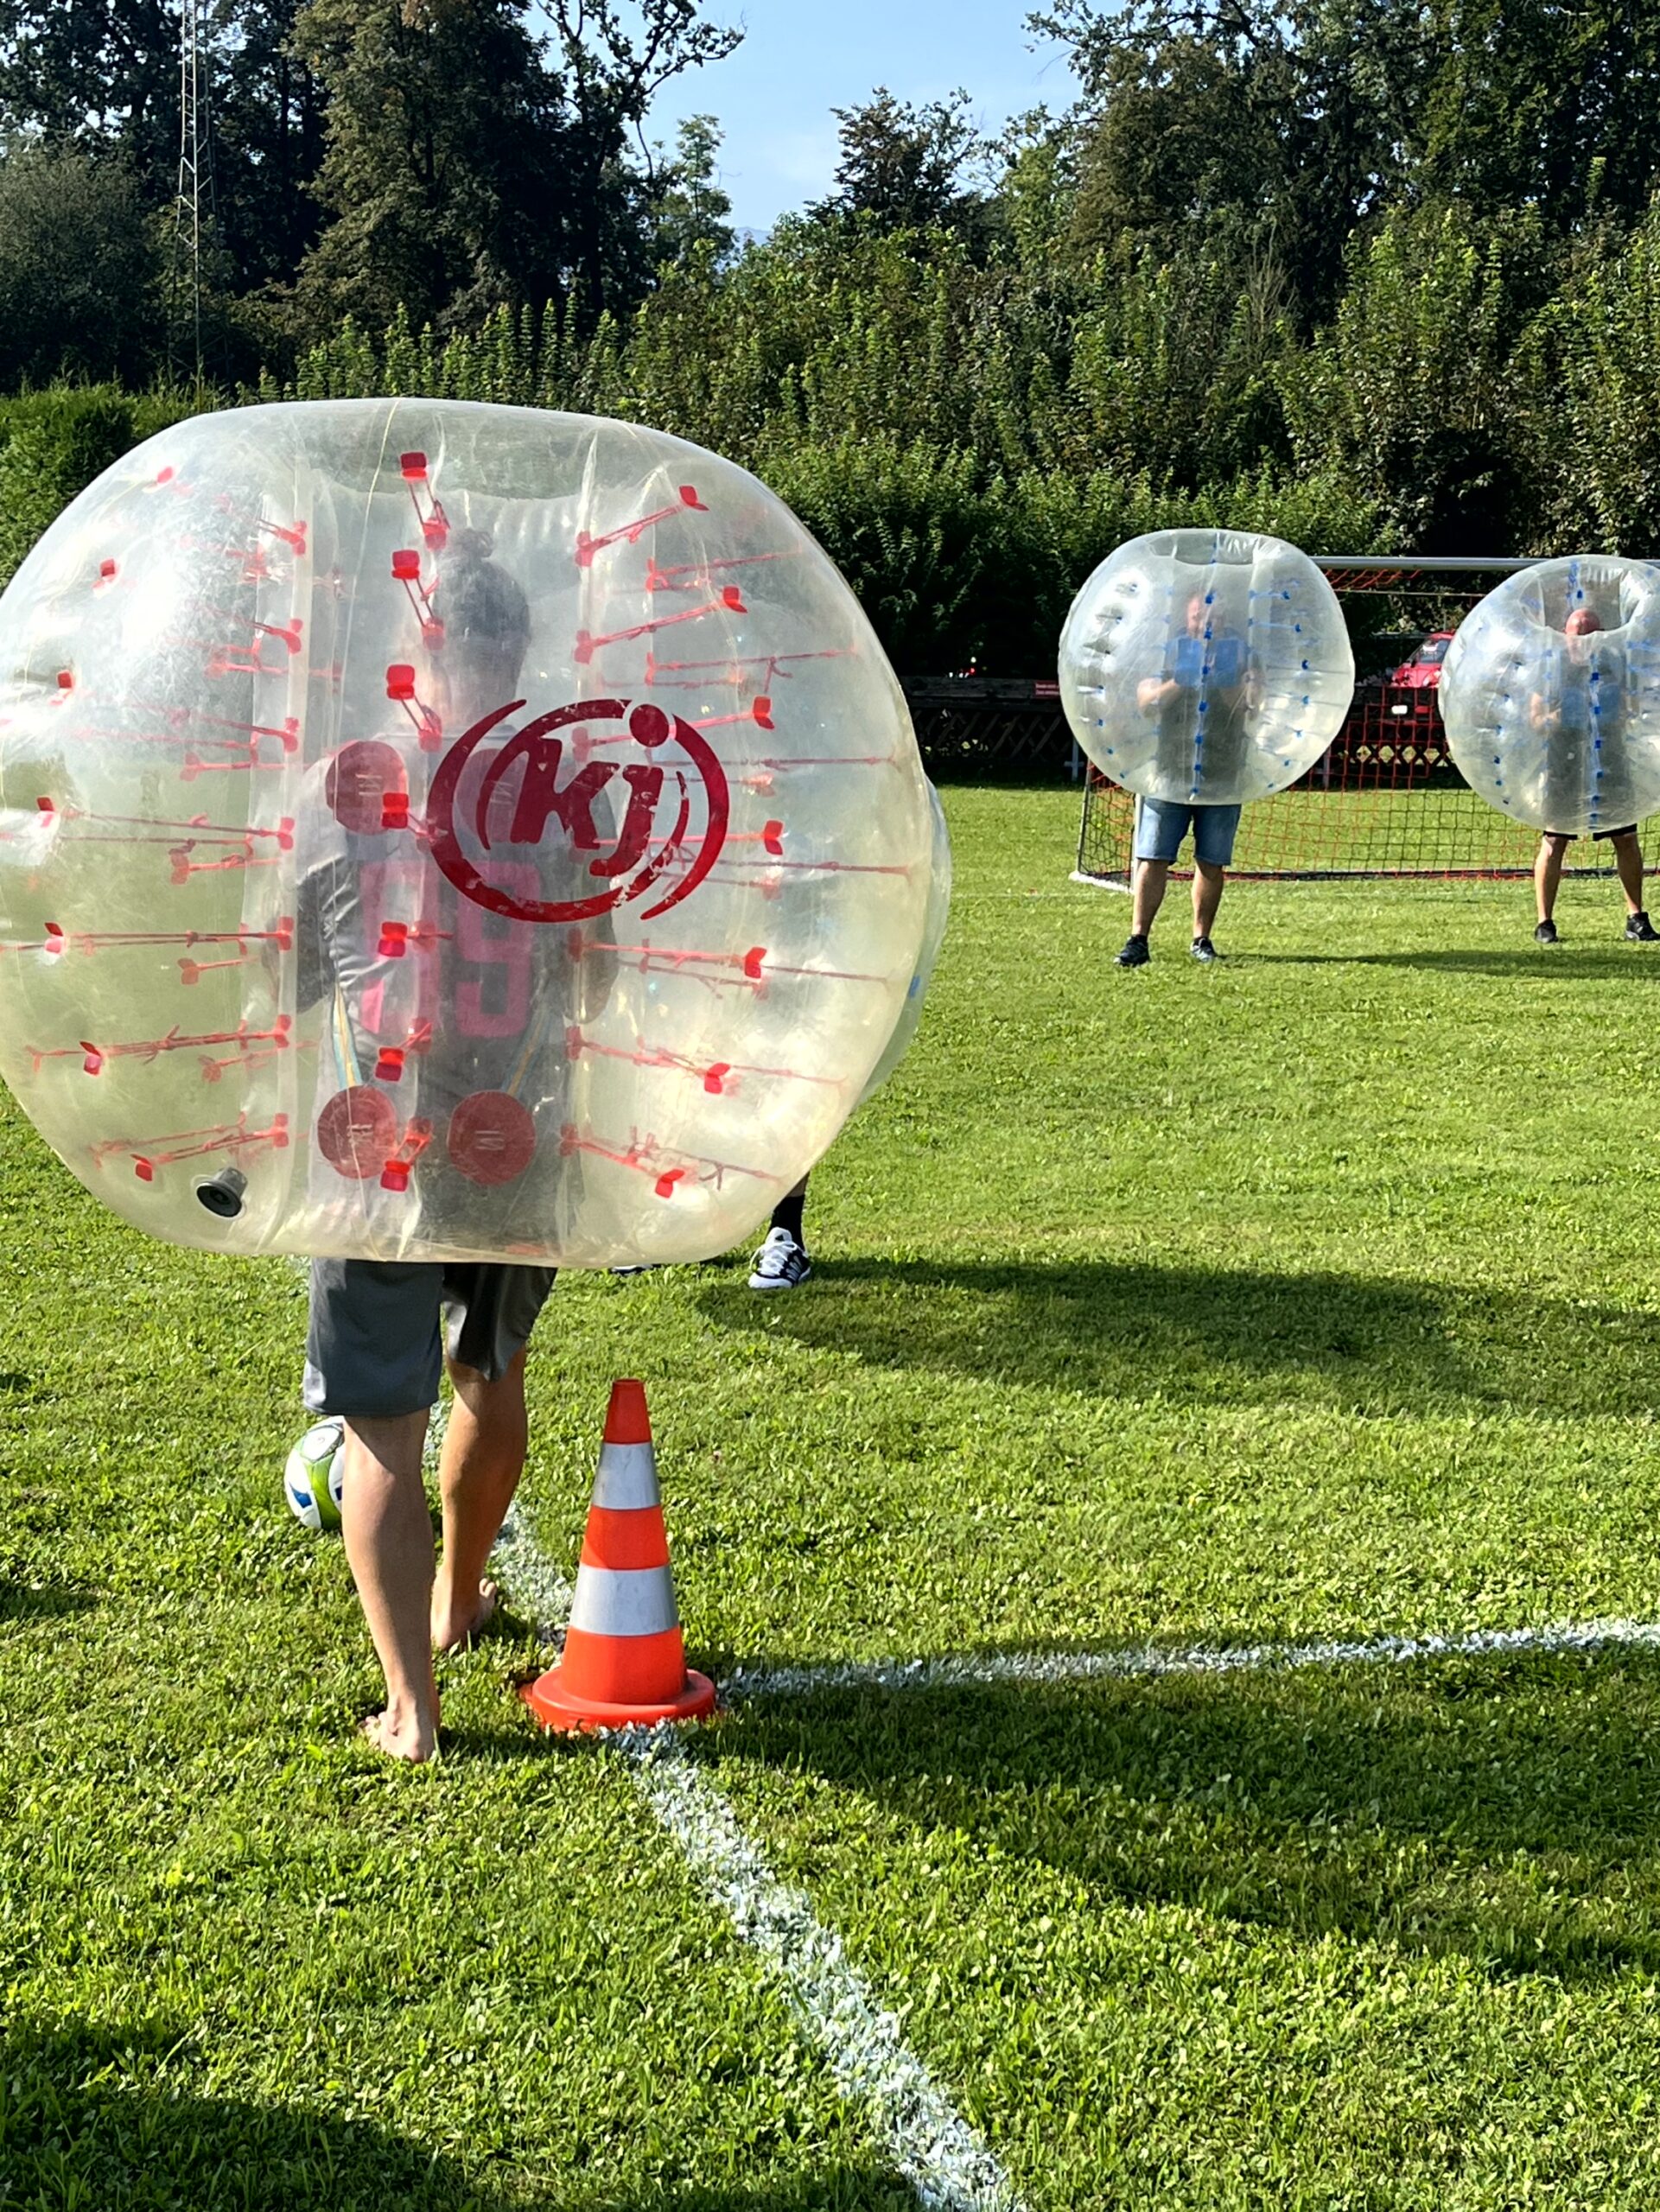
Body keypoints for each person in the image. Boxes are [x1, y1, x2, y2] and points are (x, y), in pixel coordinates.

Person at [297, 531, 607, 1762]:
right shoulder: (558, 788)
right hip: (516, 1131)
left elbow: (302, 967)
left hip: (379, 1140)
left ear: (417, 650)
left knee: (380, 1422)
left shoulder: (350, 780)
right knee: (493, 1375)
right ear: (520, 649)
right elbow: (597, 964)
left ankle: (412, 1711)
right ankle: (461, 1592)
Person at [1116, 591, 1249, 967]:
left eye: (1215, 617)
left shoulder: (1241, 654)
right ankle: (1138, 939)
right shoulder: (1165, 652)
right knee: (1153, 856)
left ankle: (1201, 939)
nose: (1206, 624)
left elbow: (1253, 706)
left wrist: (1223, 680)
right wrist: (1181, 680)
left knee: (1211, 860)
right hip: (1170, 772)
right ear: (1186, 618)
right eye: (1198, 616)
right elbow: (1146, 704)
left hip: (1221, 773)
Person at [1530, 607, 1658, 945]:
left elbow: (1633, 708)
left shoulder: (1616, 667)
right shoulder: (1552, 670)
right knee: (1554, 840)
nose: (1585, 642)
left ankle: (1636, 918)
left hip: (1611, 759)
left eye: (1592, 635)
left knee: (1626, 838)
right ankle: (1545, 923)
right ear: (1566, 635)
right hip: (1565, 762)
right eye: (1578, 635)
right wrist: (1557, 717)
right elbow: (1535, 719)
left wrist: (1628, 711)